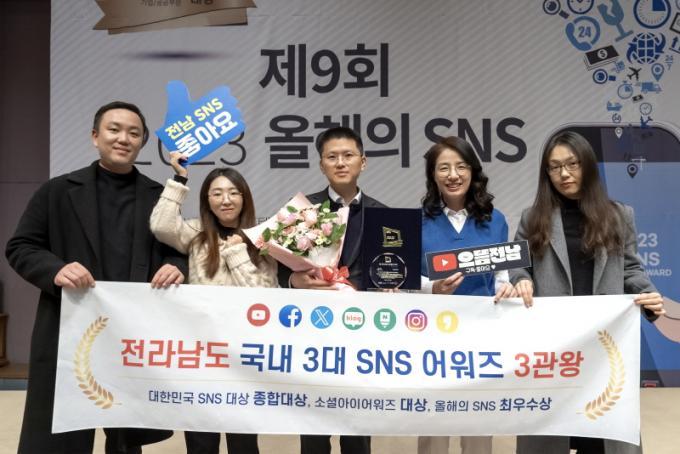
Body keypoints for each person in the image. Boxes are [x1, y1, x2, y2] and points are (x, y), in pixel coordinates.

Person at [5, 101, 187, 454]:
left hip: (131, 333)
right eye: (114, 129)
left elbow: (179, 246)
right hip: (69, 327)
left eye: (134, 133)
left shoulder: (157, 195)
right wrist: (55, 269)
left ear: (142, 142)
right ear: (95, 136)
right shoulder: (57, 190)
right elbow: (21, 246)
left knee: (125, 435)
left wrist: (177, 264)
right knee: (62, 433)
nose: (123, 138)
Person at [510, 131, 665, 454]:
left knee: (601, 434)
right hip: (554, 348)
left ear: (588, 166)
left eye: (572, 164)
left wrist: (648, 296)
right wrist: (521, 280)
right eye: (555, 167)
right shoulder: (532, 218)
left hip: (603, 346)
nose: (564, 174)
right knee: (553, 433)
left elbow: (631, 269)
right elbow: (518, 267)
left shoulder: (619, 215)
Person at [150, 152, 278, 454]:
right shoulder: (196, 233)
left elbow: (262, 296)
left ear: (245, 198)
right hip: (203, 353)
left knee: (243, 442)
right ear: (207, 200)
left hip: (245, 355)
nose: (226, 200)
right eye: (216, 193)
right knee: (200, 440)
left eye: (234, 193)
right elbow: (161, 226)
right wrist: (179, 180)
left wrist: (236, 251)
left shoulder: (263, 240)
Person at [282, 126, 385, 454]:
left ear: (363, 162)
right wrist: (293, 280)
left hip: (362, 333)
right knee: (313, 427)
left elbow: (393, 269)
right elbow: (279, 267)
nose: (340, 163)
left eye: (348, 155)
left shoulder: (384, 214)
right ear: (321, 164)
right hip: (314, 332)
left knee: (357, 428)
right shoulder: (303, 210)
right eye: (332, 157)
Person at [417, 136, 516, 454]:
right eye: (443, 168)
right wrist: (433, 288)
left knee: (478, 426)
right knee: (434, 426)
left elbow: (501, 277)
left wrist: (506, 288)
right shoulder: (417, 222)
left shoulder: (496, 220)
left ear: (473, 171)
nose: (453, 175)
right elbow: (404, 280)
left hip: (481, 335)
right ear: (433, 175)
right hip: (432, 336)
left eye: (461, 166)